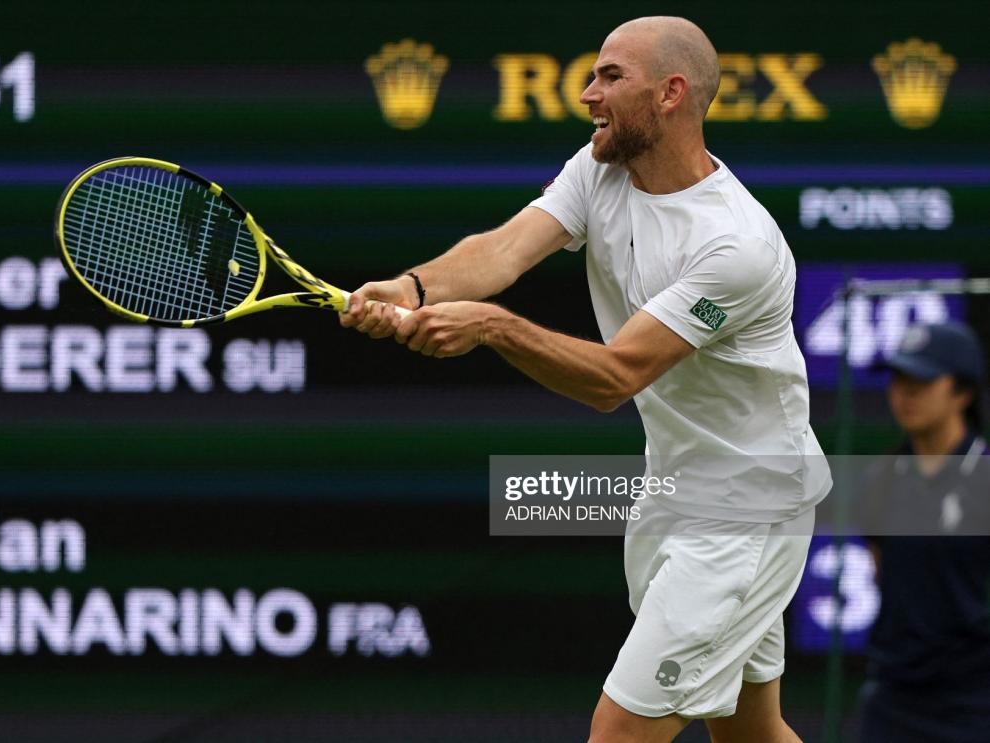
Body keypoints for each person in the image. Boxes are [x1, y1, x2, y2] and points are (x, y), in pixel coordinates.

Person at [340, 15, 831, 743]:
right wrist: (413, 288)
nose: (586, 94)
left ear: (670, 94)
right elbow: (502, 251)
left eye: (609, 76)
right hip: (674, 491)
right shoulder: (600, 167)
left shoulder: (737, 247)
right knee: (750, 732)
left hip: (747, 512)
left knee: (619, 733)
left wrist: (493, 327)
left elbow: (614, 378)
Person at [858, 321, 990, 742]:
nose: (905, 393)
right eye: (898, 379)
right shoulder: (880, 480)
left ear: (963, 392)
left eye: (922, 381)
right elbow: (883, 572)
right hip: (893, 700)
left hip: (975, 704)